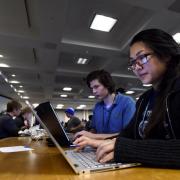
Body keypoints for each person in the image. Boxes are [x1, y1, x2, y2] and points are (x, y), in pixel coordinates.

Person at [74, 28, 180, 168]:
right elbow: (126, 136)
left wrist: (125, 149)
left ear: (165, 55)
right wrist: (99, 142)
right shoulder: (145, 99)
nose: (137, 66)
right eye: (133, 62)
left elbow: (128, 145)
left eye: (142, 57)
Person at [74, 69, 135, 140]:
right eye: (92, 88)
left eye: (96, 87)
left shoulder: (127, 102)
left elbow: (128, 135)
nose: (93, 91)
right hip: (98, 147)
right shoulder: (97, 107)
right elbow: (94, 130)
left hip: (118, 148)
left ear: (107, 84)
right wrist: (85, 136)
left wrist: (92, 136)